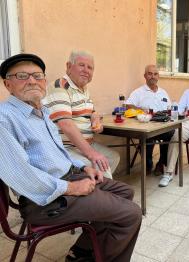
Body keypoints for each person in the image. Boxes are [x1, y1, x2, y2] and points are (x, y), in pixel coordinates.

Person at [0, 54, 142, 262]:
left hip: (68, 178)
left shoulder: (42, 111)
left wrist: (83, 168)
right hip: (44, 199)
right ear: (7, 84)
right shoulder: (5, 118)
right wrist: (71, 188)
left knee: (124, 191)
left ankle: (83, 251)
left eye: (37, 76)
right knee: (131, 214)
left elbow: (60, 151)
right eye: (22, 76)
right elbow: (22, 175)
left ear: (44, 81)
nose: (31, 81)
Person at [44, 51, 119, 179]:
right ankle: (101, 194)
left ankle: (97, 191)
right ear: (68, 67)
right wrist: (92, 154)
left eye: (90, 67)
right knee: (101, 165)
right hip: (66, 148)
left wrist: (95, 120)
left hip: (85, 144)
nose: (86, 70)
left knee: (113, 157)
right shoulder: (60, 87)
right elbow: (65, 124)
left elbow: (92, 111)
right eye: (81, 65)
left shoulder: (83, 89)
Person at [125, 65, 174, 175]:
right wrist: (142, 110)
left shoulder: (163, 92)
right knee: (147, 136)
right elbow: (127, 105)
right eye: (150, 73)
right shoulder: (138, 92)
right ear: (145, 76)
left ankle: (161, 163)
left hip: (162, 125)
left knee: (172, 133)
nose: (153, 76)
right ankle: (148, 163)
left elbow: (170, 108)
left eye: (155, 74)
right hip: (146, 126)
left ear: (158, 76)